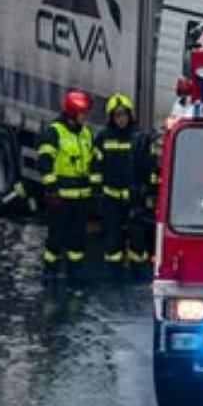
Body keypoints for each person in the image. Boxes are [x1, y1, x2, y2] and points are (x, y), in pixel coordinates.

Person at [90, 94, 148, 280]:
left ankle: (138, 275)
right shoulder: (103, 138)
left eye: (124, 115)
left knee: (138, 239)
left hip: (134, 199)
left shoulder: (139, 138)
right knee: (112, 240)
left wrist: (146, 191)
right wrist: (97, 192)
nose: (121, 119)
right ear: (111, 117)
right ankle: (113, 275)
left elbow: (148, 166)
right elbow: (96, 166)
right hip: (111, 199)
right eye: (117, 115)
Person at [38, 90, 94, 284]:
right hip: (61, 196)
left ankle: (74, 273)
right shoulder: (54, 132)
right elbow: (45, 162)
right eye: (81, 113)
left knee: (77, 239)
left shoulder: (86, 133)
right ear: (71, 114)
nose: (84, 117)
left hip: (81, 197)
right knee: (56, 237)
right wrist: (51, 190)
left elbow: (91, 161)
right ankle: (49, 271)